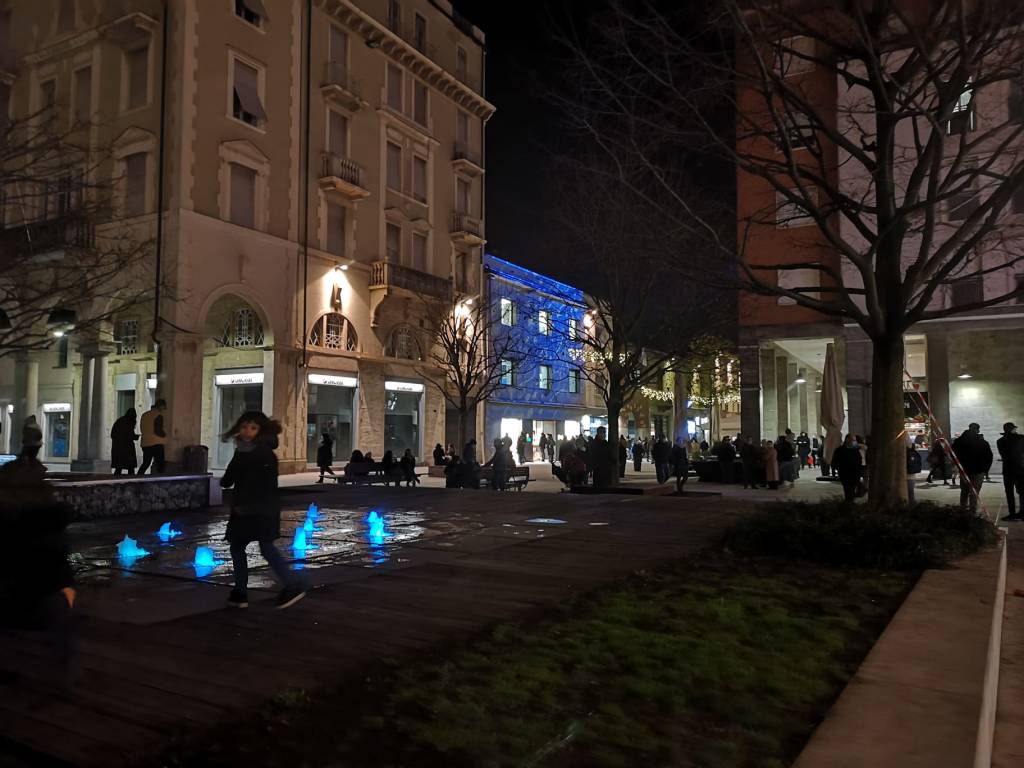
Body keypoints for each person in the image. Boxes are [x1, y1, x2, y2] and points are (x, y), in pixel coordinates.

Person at [0, 422, 78, 691]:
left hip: (28, 589)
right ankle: (62, 673)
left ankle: (59, 672)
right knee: (56, 615)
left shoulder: (17, 519)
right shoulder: (47, 519)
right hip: (39, 589)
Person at [220, 411, 305, 610]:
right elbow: (230, 477)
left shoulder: (261, 452)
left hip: (258, 508)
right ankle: (240, 592)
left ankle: (291, 585)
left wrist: (248, 505)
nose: (247, 431)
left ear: (261, 430)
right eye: (244, 427)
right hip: (250, 507)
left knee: (263, 547)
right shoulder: (245, 450)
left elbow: (263, 485)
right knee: (241, 547)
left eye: (253, 427)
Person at [951, 423, 993, 513]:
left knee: (964, 491)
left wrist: (957, 464)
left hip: (964, 470)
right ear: (978, 430)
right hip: (978, 471)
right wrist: (985, 470)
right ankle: (972, 511)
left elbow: (952, 453)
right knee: (974, 492)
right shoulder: (982, 442)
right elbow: (989, 456)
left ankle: (963, 509)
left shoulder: (959, 441)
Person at [997, 422, 1024, 521]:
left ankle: (1012, 514)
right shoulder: (1021, 438)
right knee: (1022, 492)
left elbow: (1003, 455)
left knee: (1009, 492)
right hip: (1020, 469)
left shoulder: (1000, 441)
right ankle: (1022, 512)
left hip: (1008, 469)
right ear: (1013, 429)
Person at [832, 434, 864, 503]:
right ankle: (849, 503)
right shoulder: (840, 450)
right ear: (847, 440)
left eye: (855, 440)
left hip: (855, 474)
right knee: (848, 490)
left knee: (852, 490)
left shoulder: (855, 450)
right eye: (853, 440)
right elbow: (834, 461)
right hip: (845, 474)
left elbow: (859, 460)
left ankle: (850, 502)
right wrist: (837, 469)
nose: (854, 442)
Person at [138, 399, 168, 475]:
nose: (164, 410)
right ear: (160, 406)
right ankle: (159, 480)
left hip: (145, 443)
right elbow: (158, 430)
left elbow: (142, 428)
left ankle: (138, 478)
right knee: (160, 464)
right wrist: (165, 434)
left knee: (146, 463)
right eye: (164, 407)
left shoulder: (144, 415)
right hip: (156, 443)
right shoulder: (158, 415)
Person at [110, 407, 139, 476]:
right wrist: (136, 437)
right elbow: (130, 435)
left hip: (117, 447)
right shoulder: (130, 422)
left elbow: (113, 434)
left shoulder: (119, 421)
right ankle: (132, 483)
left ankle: (116, 483)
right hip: (127, 447)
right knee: (130, 468)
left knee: (118, 468)